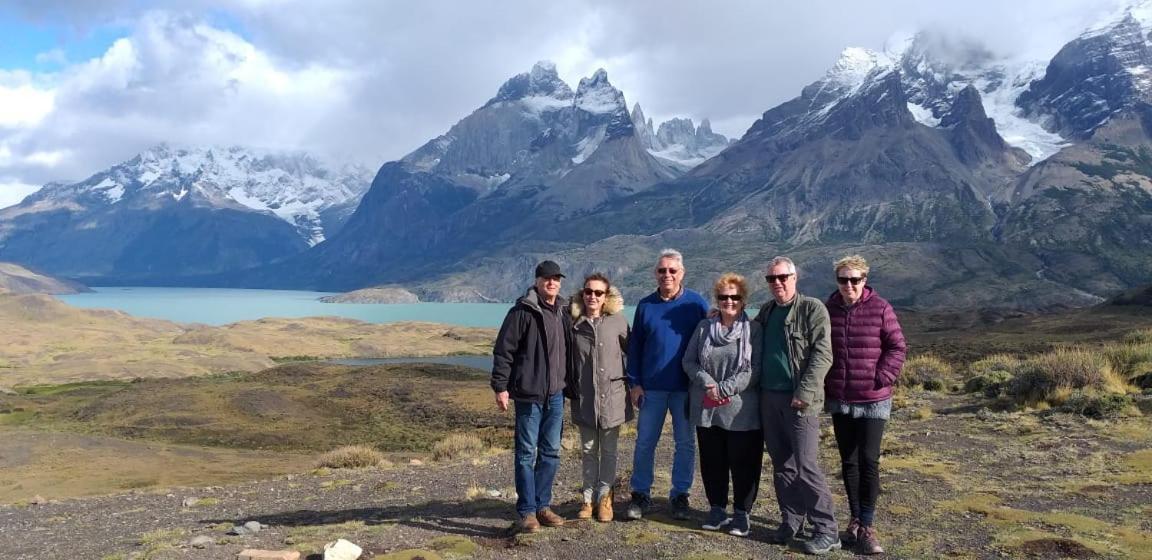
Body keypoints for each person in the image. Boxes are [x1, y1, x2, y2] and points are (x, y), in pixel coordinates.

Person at [752, 256, 840, 555]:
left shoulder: (811, 309)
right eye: (771, 279)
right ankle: (791, 521)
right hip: (769, 397)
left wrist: (804, 390)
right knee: (782, 466)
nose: (777, 283)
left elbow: (822, 354)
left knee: (806, 465)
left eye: (782, 277)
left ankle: (827, 529)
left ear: (794, 277)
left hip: (799, 399)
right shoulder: (766, 311)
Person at [824, 255, 907, 555]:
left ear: (864, 280)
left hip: (873, 399)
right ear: (837, 281)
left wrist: (882, 377)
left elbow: (897, 346)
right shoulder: (828, 309)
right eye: (844, 280)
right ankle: (855, 519)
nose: (849, 285)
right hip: (841, 398)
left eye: (855, 280)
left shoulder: (881, 308)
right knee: (849, 461)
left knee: (869, 460)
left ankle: (868, 524)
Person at [626, 249, 709, 521]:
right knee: (645, 442)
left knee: (685, 443)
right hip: (651, 389)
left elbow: (710, 342)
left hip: (685, 389)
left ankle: (680, 495)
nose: (667, 275)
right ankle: (640, 494)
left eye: (673, 270)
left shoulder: (696, 304)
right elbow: (635, 347)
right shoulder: (645, 305)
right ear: (656, 273)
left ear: (682, 273)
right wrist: (635, 383)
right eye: (662, 270)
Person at [491, 260, 572, 534]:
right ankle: (526, 511)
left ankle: (542, 505)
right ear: (537, 281)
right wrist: (500, 386)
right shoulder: (522, 312)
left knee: (550, 452)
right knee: (526, 453)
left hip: (556, 395)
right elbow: (504, 351)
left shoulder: (563, 312)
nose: (552, 282)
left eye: (556, 278)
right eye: (547, 278)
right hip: (529, 395)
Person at [682, 273, 761, 537]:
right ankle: (717, 508)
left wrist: (724, 388)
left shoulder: (754, 330)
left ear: (743, 300)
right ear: (717, 299)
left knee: (743, 462)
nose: (729, 301)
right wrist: (707, 383)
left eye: (735, 297)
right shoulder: (704, 328)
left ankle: (742, 513)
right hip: (707, 407)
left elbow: (754, 369)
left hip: (741, 410)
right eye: (724, 297)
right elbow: (689, 361)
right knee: (712, 460)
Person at [565, 273, 631, 523]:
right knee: (588, 450)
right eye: (588, 292)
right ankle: (587, 499)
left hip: (612, 399)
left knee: (610, 451)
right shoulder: (573, 323)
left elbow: (634, 351)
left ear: (606, 297)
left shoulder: (617, 322)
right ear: (582, 294)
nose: (593, 296)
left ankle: (605, 498)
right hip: (584, 399)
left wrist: (634, 383)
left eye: (598, 293)